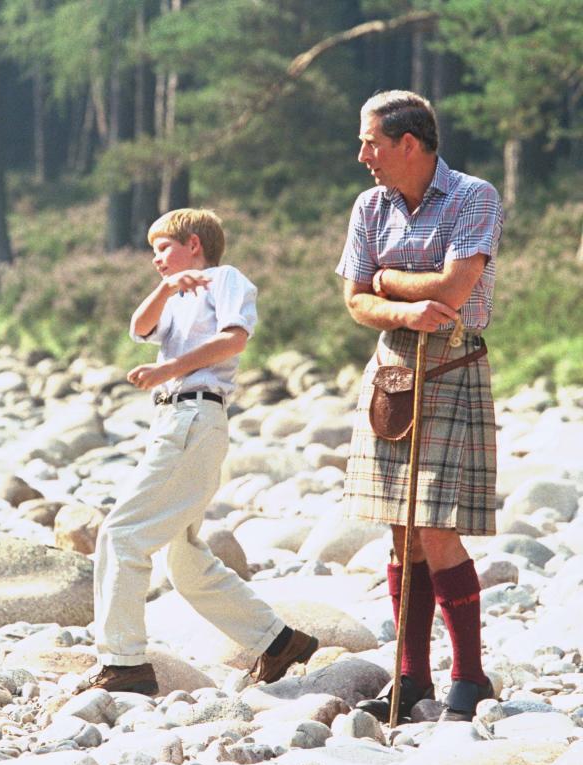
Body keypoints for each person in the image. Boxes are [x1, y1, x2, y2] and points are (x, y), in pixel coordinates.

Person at [89, 208, 318, 695]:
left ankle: (123, 662)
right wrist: (168, 287)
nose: (156, 260)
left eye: (164, 249)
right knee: (184, 558)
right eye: (153, 253)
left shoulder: (225, 279)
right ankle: (278, 642)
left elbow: (234, 339)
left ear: (195, 244)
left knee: (122, 534)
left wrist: (169, 370)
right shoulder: (173, 294)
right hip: (174, 418)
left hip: (194, 417)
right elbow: (139, 327)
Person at [336, 90, 503, 723]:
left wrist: (385, 278)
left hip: (453, 364)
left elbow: (455, 289)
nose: (362, 156)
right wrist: (401, 304)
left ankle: (469, 677)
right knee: (401, 530)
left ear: (409, 143)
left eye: (371, 143)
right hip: (391, 373)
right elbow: (355, 299)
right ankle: (411, 679)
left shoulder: (474, 196)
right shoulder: (369, 206)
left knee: (436, 526)